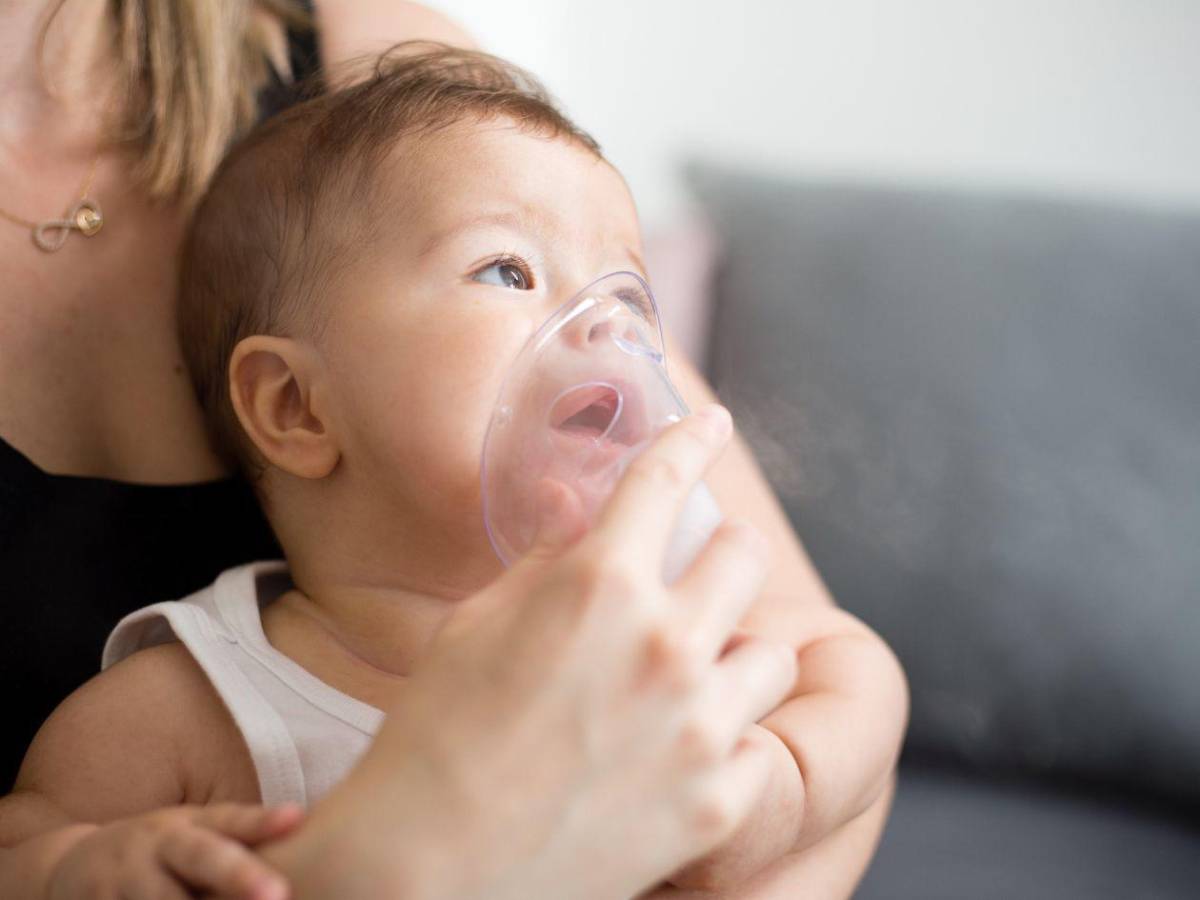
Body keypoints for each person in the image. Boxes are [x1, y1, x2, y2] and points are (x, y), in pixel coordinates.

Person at [8, 46, 908, 899]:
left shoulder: (657, 606)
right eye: (508, 270)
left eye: (628, 293)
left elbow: (853, 664)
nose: (608, 329)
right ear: (295, 407)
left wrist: (783, 784)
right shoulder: (202, 705)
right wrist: (76, 867)